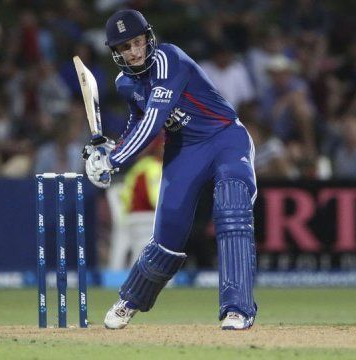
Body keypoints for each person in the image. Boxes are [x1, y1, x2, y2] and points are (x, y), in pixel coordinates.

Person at [84, 9, 257, 330]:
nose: (135, 52)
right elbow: (137, 120)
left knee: (232, 208)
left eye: (138, 42)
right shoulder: (125, 83)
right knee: (167, 237)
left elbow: (152, 122)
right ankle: (130, 299)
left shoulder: (168, 59)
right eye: (125, 47)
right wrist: (112, 148)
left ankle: (238, 309)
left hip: (224, 138)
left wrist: (114, 160)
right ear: (116, 52)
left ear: (148, 38)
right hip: (184, 150)